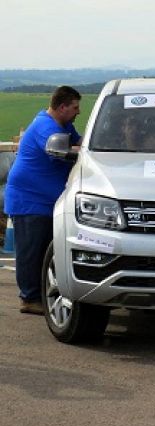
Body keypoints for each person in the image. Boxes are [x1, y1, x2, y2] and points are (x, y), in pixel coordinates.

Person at [4, 86, 82, 315]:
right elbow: (68, 150)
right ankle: (29, 298)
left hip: (47, 202)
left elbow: (80, 142)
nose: (78, 112)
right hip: (29, 201)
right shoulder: (45, 127)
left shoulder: (64, 125)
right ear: (62, 107)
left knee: (45, 252)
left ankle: (40, 294)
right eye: (75, 107)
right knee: (31, 252)